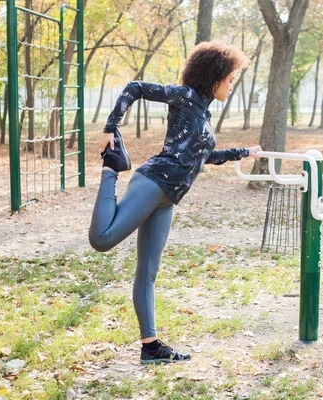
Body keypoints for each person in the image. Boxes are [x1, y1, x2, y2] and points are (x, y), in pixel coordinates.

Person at [88, 41, 261, 365]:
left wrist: (243, 152)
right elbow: (135, 87)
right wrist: (111, 127)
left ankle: (150, 347)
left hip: (167, 199)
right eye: (230, 80)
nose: (232, 86)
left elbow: (201, 156)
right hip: (153, 182)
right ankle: (111, 169)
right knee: (102, 240)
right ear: (215, 77)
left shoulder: (202, 112)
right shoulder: (184, 97)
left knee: (148, 273)